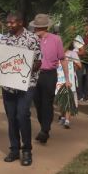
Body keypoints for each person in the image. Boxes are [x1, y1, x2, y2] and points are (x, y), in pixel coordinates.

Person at [0, 11, 41, 166]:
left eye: (12, 22)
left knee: (22, 115)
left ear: (21, 22)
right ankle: (14, 149)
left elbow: (38, 62)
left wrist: (27, 65)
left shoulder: (32, 38)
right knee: (11, 117)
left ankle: (27, 150)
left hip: (26, 84)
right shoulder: (4, 39)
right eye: (8, 22)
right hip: (8, 85)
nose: (9, 25)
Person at [32, 14, 71, 144]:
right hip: (34, 75)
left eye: (41, 27)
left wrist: (67, 79)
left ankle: (45, 130)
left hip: (49, 74)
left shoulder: (56, 39)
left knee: (47, 103)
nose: (38, 30)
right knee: (37, 103)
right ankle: (44, 126)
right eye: (36, 27)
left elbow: (63, 59)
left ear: (46, 27)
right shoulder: (31, 39)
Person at [58, 43, 82, 129]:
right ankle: (63, 116)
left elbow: (79, 65)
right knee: (61, 99)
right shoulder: (57, 52)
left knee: (68, 98)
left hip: (70, 79)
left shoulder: (72, 53)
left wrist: (74, 64)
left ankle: (67, 120)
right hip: (59, 79)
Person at [76, 23, 88, 101]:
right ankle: (79, 95)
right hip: (81, 58)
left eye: (87, 25)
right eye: (84, 25)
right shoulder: (80, 35)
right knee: (79, 76)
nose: (85, 27)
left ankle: (86, 96)